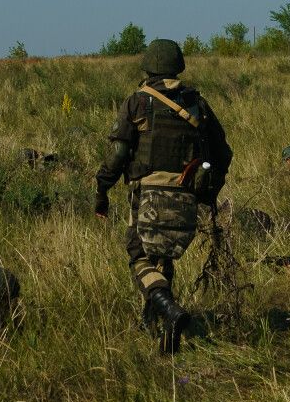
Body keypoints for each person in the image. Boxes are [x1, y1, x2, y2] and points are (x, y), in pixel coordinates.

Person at [94, 40, 233, 353]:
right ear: (178, 65)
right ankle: (160, 331)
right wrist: (209, 193)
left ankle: (168, 309)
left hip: (147, 194)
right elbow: (223, 152)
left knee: (139, 258)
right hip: (186, 194)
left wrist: (102, 187)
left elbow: (118, 153)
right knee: (163, 257)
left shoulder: (138, 102)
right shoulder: (197, 104)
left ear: (148, 66)